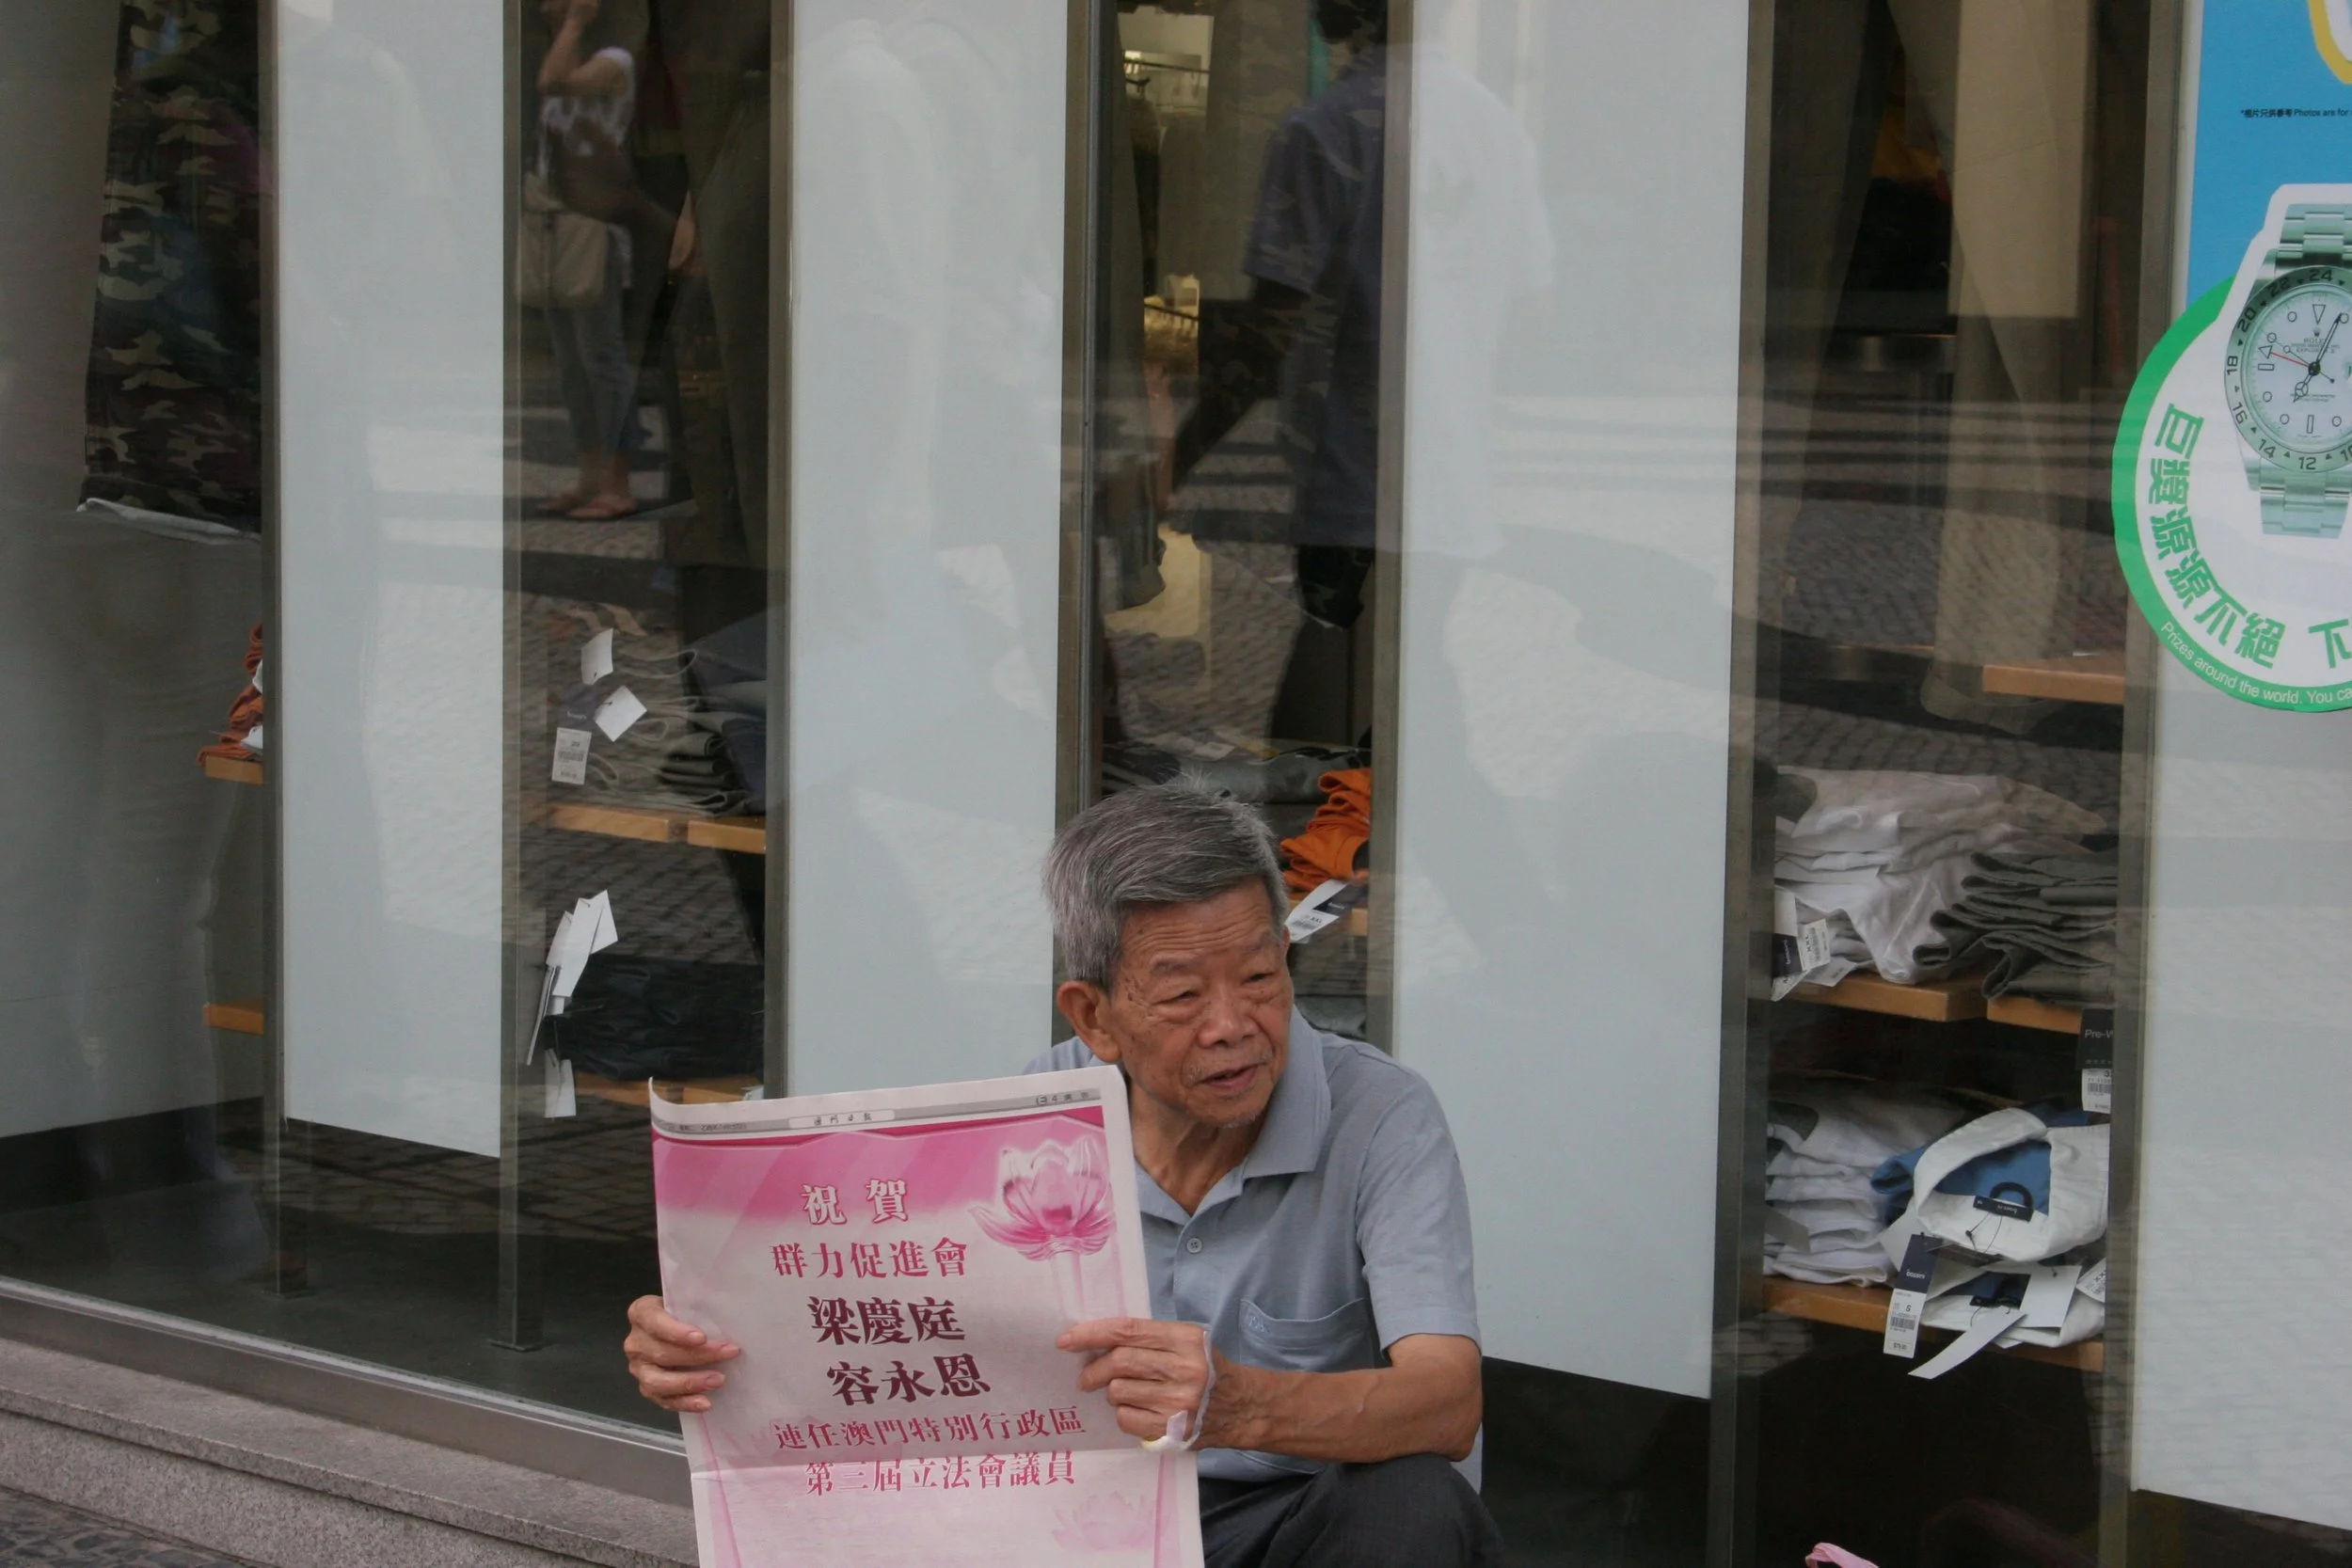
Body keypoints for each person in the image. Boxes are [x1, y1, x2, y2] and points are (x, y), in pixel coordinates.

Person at [624, 784, 1504, 1566]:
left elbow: (1444, 1400)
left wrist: (1236, 1404)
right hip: (1081, 1524)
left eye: (1260, 976)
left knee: (1414, 1503)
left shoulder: (1383, 1116)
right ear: (1096, 1017)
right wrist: (710, 1347)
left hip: (1290, 1522)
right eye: (1183, 994)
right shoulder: (1031, 1121)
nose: (1236, 1024)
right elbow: (889, 1328)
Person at [534, 0, 644, 520]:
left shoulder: (615, 61)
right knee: (570, 363)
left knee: (602, 357)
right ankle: (589, 476)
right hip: (552, 223)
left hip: (593, 228)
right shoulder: (560, 59)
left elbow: (554, 84)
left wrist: (575, 22)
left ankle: (619, 482)